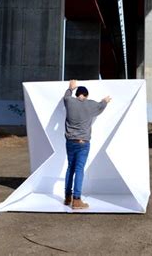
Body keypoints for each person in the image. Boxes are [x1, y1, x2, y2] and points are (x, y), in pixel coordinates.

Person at [63, 79, 111, 209]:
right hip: (83, 143)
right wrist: (105, 101)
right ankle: (77, 200)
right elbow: (101, 106)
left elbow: (66, 96)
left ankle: (67, 197)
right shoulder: (91, 104)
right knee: (79, 169)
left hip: (70, 141)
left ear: (77, 94)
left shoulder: (69, 101)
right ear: (87, 95)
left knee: (70, 168)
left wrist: (70, 88)